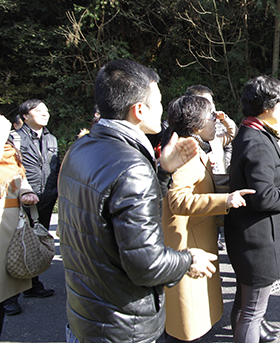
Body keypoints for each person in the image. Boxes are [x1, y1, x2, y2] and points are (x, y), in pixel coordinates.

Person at [58, 59, 217, 343]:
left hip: (85, 313)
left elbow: (119, 218)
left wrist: (163, 172)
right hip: (122, 324)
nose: (163, 108)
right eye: (158, 101)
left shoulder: (79, 148)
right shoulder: (132, 166)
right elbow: (145, 263)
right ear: (139, 110)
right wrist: (187, 260)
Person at [163, 95, 253, 342]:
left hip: (194, 239)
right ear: (196, 125)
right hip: (187, 244)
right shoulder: (188, 151)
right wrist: (224, 201)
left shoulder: (193, 146)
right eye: (212, 117)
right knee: (186, 324)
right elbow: (177, 200)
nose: (216, 121)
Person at [225, 75, 280, 343]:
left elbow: (260, 179)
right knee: (253, 313)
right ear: (268, 106)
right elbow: (264, 196)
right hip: (258, 241)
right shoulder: (257, 140)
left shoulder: (250, 131)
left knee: (244, 305)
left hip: (246, 236)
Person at [3, 100, 58, 315]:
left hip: (45, 198)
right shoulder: (14, 138)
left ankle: (33, 285)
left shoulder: (51, 138)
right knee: (15, 245)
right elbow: (11, 169)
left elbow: (54, 167)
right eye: (39, 110)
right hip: (21, 200)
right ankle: (9, 296)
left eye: (47, 110)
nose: (45, 113)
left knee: (36, 241)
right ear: (25, 116)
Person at [0, 115, 39, 332]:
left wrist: (27, 192)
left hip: (10, 225)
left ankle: (10, 300)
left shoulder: (10, 153)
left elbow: (19, 177)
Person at [185, 85, 237, 174]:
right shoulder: (186, 142)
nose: (212, 106)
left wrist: (225, 119)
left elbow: (233, 134)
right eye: (207, 103)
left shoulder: (217, 131)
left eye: (212, 102)